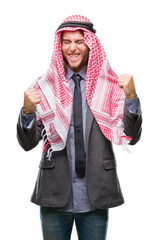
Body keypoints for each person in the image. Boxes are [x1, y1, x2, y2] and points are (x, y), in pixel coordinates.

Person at [17, 15, 142, 240]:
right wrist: (27, 112)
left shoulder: (110, 87)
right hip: (54, 192)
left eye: (78, 41)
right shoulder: (44, 88)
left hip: (96, 194)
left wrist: (131, 97)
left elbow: (131, 136)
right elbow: (27, 144)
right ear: (60, 45)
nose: (72, 48)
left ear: (89, 45)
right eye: (66, 42)